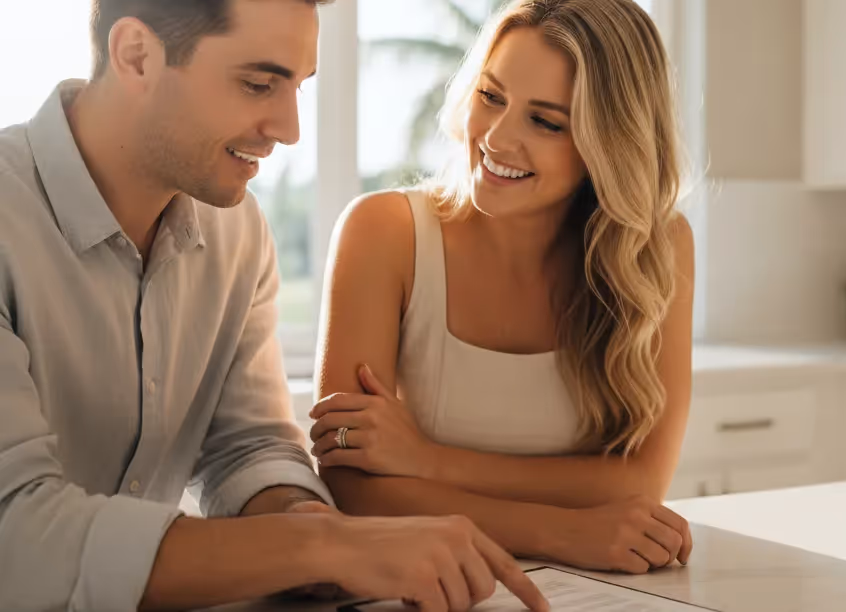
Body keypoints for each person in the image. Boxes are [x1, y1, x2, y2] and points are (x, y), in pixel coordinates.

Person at [0, 1, 547, 611]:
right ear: (137, 55)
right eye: (258, 83)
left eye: (298, 87)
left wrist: (315, 528)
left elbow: (248, 447)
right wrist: (319, 545)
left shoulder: (236, 234)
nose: (289, 129)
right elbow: (17, 536)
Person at [312, 0, 695, 575]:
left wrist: (428, 462)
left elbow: (641, 480)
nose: (495, 137)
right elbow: (355, 489)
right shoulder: (383, 233)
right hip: (436, 581)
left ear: (607, 146)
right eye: (491, 97)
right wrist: (563, 530)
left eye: (545, 122)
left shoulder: (655, 246)